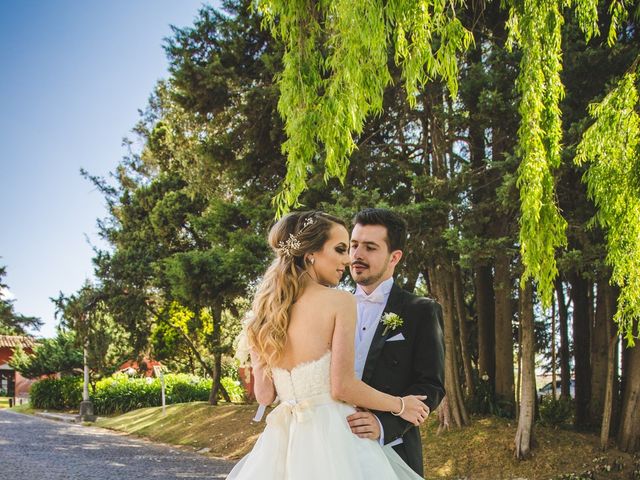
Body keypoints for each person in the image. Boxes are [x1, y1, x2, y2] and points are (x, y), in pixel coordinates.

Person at [227, 211, 428, 480]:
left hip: (283, 442)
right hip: (335, 438)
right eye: (340, 249)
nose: (348, 259)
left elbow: (264, 396)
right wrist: (400, 405)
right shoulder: (340, 302)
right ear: (310, 253)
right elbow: (342, 386)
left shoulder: (264, 313)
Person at [347, 208, 445, 476]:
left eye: (370, 247)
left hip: (391, 449)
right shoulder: (333, 306)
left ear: (395, 257)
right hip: (333, 442)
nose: (357, 255)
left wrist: (383, 424)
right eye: (354, 245)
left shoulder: (420, 310)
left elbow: (431, 387)